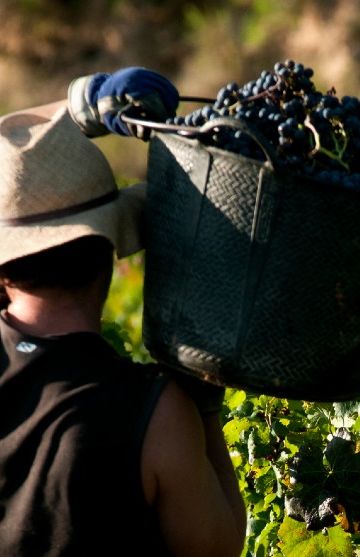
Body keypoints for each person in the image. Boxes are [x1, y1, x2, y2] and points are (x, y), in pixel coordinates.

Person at [0, 68, 247, 556]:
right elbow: (217, 547)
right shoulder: (154, 413)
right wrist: (204, 405)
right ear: (110, 252)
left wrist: (75, 109)